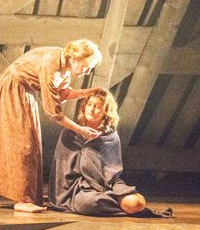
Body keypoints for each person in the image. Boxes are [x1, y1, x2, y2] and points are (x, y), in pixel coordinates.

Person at [0, 39, 104, 213]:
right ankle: (23, 200)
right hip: (11, 89)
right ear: (75, 58)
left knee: (32, 144)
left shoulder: (64, 66)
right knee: (25, 145)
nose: (88, 71)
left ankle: (31, 196)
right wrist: (81, 130)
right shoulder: (52, 65)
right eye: (87, 66)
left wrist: (89, 92)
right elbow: (54, 113)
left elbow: (64, 93)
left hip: (23, 91)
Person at [49, 89, 173, 217]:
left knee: (137, 203)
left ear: (105, 112)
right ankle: (117, 203)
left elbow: (112, 170)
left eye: (98, 107)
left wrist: (105, 184)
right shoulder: (70, 133)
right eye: (89, 104)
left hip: (107, 182)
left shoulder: (111, 136)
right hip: (78, 187)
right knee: (90, 204)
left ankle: (118, 201)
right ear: (84, 106)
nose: (91, 109)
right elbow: (61, 170)